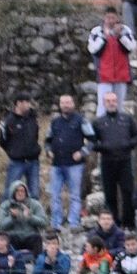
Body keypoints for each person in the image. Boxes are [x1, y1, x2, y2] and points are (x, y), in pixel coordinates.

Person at [93, 91, 137, 231]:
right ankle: (113, 224)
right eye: (108, 101)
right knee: (110, 194)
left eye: (114, 100)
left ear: (118, 102)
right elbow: (92, 142)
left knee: (128, 192)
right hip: (107, 161)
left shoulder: (127, 119)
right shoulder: (98, 122)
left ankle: (129, 223)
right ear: (103, 103)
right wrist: (103, 147)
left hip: (124, 161)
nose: (111, 103)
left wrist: (128, 144)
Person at [45, 95, 93, 231]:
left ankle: (74, 223)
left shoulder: (81, 120)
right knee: (54, 195)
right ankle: (56, 223)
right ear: (60, 105)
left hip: (75, 164)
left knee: (75, 195)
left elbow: (92, 139)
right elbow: (47, 140)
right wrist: (48, 151)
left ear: (73, 104)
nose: (65, 105)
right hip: (56, 164)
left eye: (68, 102)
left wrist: (82, 152)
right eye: (63, 103)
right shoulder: (54, 122)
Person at [87, 6, 137, 117]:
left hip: (121, 74)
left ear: (117, 18)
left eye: (113, 18)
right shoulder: (97, 31)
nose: (110, 20)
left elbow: (131, 47)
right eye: (108, 18)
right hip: (104, 74)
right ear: (104, 18)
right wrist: (105, 36)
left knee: (118, 106)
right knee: (103, 106)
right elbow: (92, 49)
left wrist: (120, 37)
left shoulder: (125, 30)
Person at [0, 93, 41, 200]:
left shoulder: (33, 118)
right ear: (18, 103)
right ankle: (5, 215)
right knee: (9, 191)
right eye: (26, 102)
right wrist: (13, 152)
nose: (29, 105)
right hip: (16, 162)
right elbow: (2, 140)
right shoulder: (8, 121)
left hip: (33, 161)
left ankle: (33, 215)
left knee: (34, 193)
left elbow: (36, 135)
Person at [0, 180, 47, 255]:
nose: (20, 193)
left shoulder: (34, 204)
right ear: (13, 192)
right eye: (17, 191)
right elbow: (0, 226)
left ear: (26, 193)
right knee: (7, 239)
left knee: (37, 238)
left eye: (22, 191)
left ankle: (37, 262)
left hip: (30, 235)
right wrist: (12, 218)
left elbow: (44, 223)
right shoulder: (5, 205)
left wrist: (30, 217)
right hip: (13, 236)